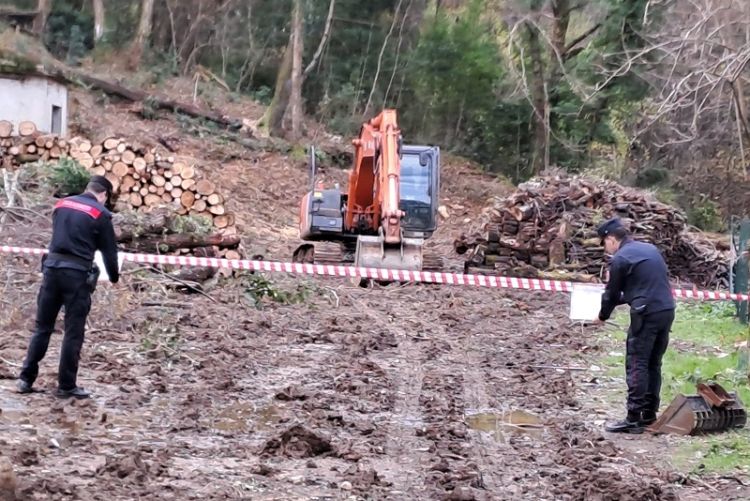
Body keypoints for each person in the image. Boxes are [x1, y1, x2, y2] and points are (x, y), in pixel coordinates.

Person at [16, 175, 120, 399]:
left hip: (51, 270)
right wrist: (113, 277)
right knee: (73, 332)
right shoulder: (100, 214)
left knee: (42, 327)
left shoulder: (61, 205)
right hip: (76, 276)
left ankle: (25, 379)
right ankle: (66, 386)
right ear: (103, 194)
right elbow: (110, 252)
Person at [595, 217, 676, 434]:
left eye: (605, 242)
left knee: (637, 362)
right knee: (653, 363)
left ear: (612, 239)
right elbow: (641, 287)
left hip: (646, 313)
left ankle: (633, 418)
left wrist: (602, 316)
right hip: (666, 309)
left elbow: (612, 293)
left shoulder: (621, 258)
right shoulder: (649, 249)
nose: (606, 248)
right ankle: (649, 414)